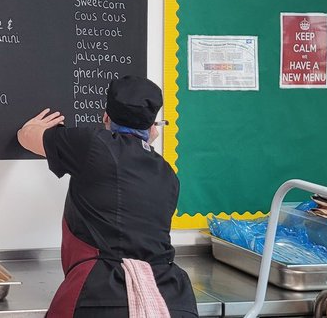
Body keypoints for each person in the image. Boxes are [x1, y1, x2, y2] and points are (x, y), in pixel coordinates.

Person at [17, 75, 197, 318]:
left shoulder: (93, 143)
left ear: (105, 117)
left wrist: (34, 127)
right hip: (170, 297)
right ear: (153, 127)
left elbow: (27, 137)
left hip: (101, 296)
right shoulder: (167, 174)